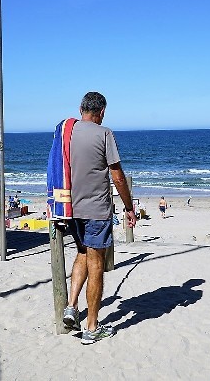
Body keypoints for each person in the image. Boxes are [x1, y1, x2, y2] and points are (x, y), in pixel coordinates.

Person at [63, 92, 136, 345]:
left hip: (71, 208)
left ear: (81, 108)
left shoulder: (67, 132)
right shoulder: (104, 133)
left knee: (82, 253)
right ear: (101, 111)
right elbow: (117, 176)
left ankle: (71, 307)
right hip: (96, 210)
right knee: (96, 264)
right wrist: (129, 207)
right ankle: (92, 327)